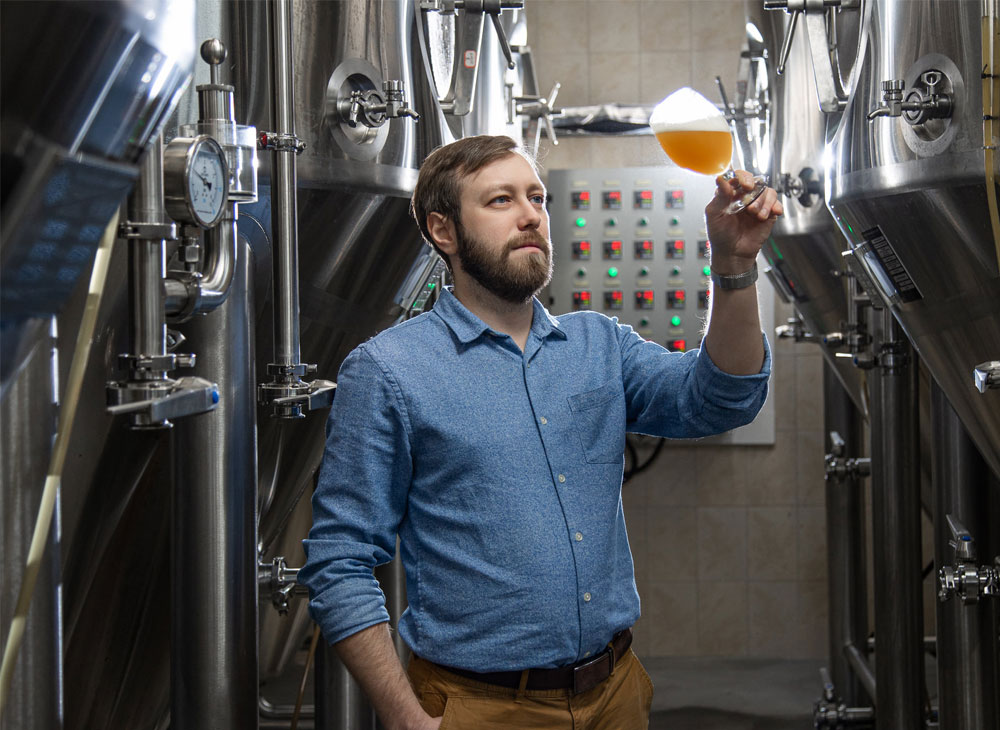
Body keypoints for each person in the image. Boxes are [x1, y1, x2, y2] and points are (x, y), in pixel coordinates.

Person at [300, 134, 783, 730]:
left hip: (616, 693)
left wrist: (733, 267)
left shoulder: (598, 344)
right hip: (479, 705)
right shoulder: (390, 371)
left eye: (536, 197)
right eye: (501, 201)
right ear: (443, 231)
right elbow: (339, 559)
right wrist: (403, 717)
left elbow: (721, 398)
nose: (531, 215)